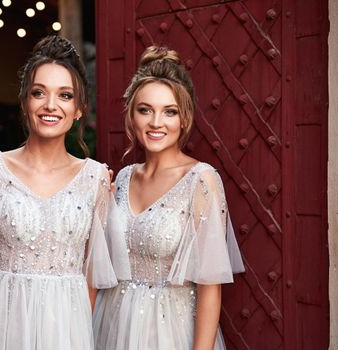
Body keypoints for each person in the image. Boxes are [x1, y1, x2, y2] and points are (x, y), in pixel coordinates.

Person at [0, 36, 117, 350]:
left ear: (79, 109)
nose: (50, 105)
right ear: (25, 101)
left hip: (65, 327)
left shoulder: (95, 177)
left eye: (65, 95)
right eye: (39, 92)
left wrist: (79, 330)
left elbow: (93, 271)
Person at [93, 46, 245, 350]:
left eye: (169, 111)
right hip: (114, 325)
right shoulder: (121, 179)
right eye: (145, 109)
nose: (156, 122)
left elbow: (210, 287)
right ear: (132, 116)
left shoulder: (200, 180)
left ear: (184, 118)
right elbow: (101, 263)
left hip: (171, 332)